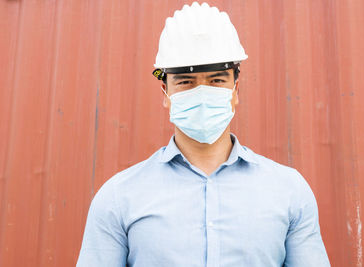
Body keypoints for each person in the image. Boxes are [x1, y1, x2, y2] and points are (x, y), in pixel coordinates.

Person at [76, 2, 330, 266]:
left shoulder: (289, 191)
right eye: (186, 81)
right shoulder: (118, 198)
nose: (202, 92)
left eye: (217, 80)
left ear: (236, 90)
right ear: (165, 93)